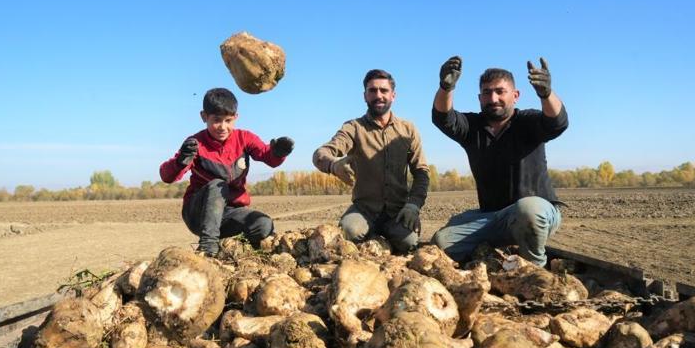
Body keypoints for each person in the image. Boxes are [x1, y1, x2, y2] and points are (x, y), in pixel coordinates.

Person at [431, 56, 568, 266]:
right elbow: (443, 118)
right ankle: (495, 259)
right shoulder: (472, 127)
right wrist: (445, 87)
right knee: (442, 242)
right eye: (487, 93)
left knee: (528, 210)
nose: (493, 98)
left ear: (516, 95)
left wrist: (546, 93)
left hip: (537, 212)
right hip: (493, 217)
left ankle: (534, 270)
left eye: (500, 91)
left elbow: (557, 122)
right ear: (480, 98)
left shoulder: (528, 121)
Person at [160, 88, 294, 256]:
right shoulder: (195, 144)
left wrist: (278, 153)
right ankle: (208, 249)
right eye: (216, 120)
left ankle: (231, 250)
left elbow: (268, 157)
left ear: (236, 118)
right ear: (204, 117)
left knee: (263, 225)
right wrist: (180, 161)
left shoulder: (245, 138)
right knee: (218, 185)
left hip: (228, 213)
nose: (223, 127)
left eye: (228, 120)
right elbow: (166, 176)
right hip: (198, 214)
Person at [313, 69, 429, 253]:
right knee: (349, 231)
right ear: (365, 95)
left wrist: (414, 204)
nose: (378, 95)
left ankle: (384, 240)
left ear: (393, 95)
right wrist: (333, 165)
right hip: (364, 210)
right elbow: (321, 153)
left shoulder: (408, 129)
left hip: (397, 212)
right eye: (372, 90)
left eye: (384, 91)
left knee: (409, 241)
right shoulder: (354, 128)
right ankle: (371, 239)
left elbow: (421, 172)